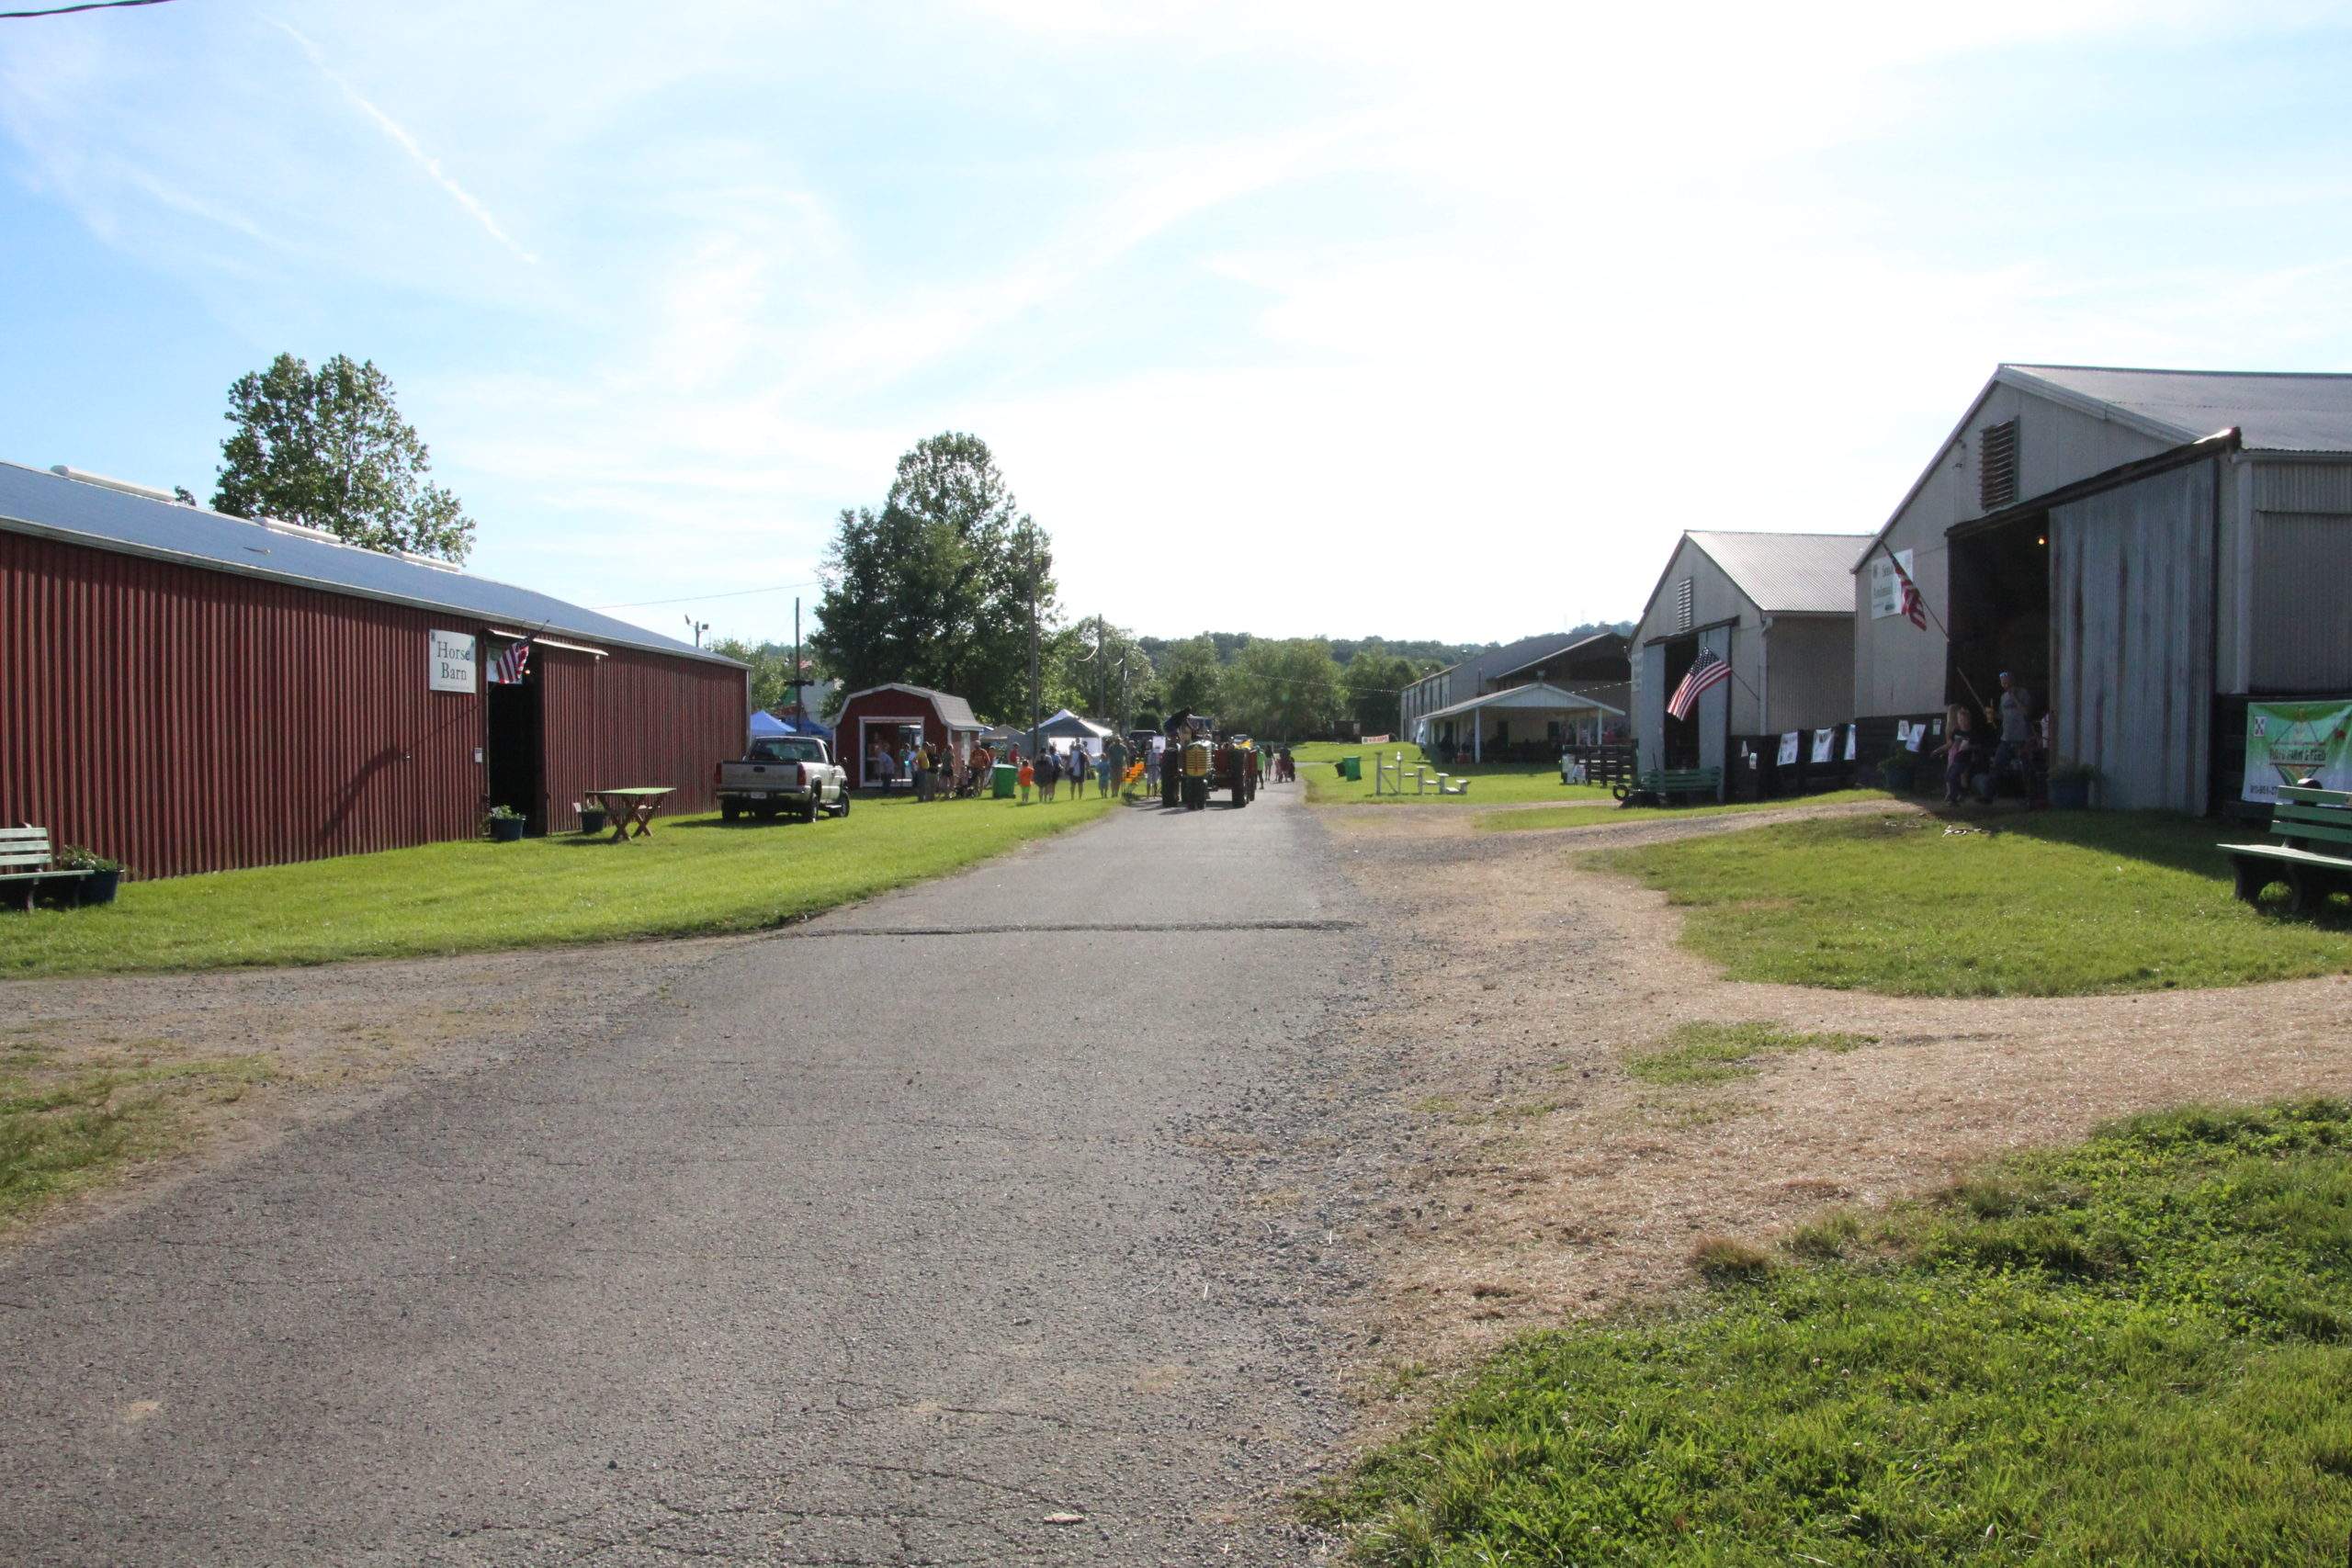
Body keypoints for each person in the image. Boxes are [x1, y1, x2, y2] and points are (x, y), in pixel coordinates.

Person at [1983, 671, 2034, 803]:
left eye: (2006, 682)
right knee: (1997, 766)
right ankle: (1988, 796)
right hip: (2006, 738)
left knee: (2026, 768)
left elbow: (2026, 713)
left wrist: (2015, 697)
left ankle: (2030, 798)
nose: (2005, 685)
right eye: (2002, 683)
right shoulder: (2003, 697)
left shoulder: (2023, 693)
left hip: (2022, 738)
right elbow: (2002, 716)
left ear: (2012, 681)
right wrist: (1993, 715)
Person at [1942, 703, 1981, 806]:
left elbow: (1949, 742)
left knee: (1954, 774)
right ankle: (1957, 793)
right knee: (1955, 775)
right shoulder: (1955, 730)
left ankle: (1953, 794)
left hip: (1959, 755)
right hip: (1956, 754)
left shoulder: (1956, 729)